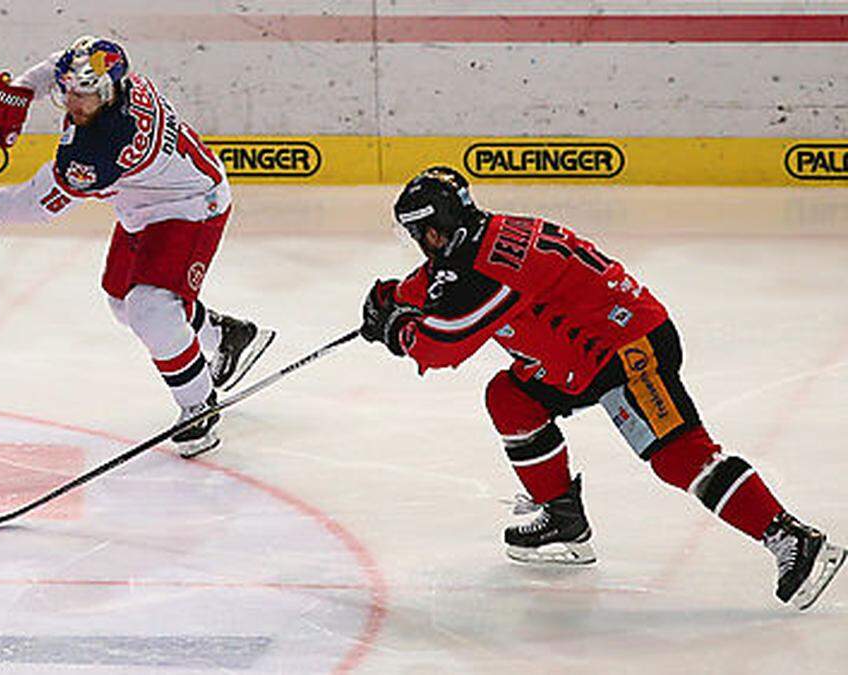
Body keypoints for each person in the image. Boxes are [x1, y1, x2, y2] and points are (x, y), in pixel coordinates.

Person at [359, 165, 844, 609]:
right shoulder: (480, 240)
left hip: (626, 351)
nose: (422, 243)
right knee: (511, 398)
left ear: (440, 224)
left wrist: (395, 330)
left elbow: (444, 343)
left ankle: (791, 538)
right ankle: (564, 522)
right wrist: (395, 296)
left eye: (421, 232)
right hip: (578, 358)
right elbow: (444, 278)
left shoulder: (496, 271)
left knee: (680, 456)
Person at [0, 36, 274, 458]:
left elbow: (41, 203)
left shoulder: (103, 147)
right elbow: (61, 64)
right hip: (143, 204)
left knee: (151, 308)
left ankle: (199, 405)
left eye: (83, 94)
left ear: (107, 92)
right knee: (121, 301)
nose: (72, 102)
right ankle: (229, 335)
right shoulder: (114, 76)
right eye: (69, 90)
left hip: (192, 206)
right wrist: (23, 91)